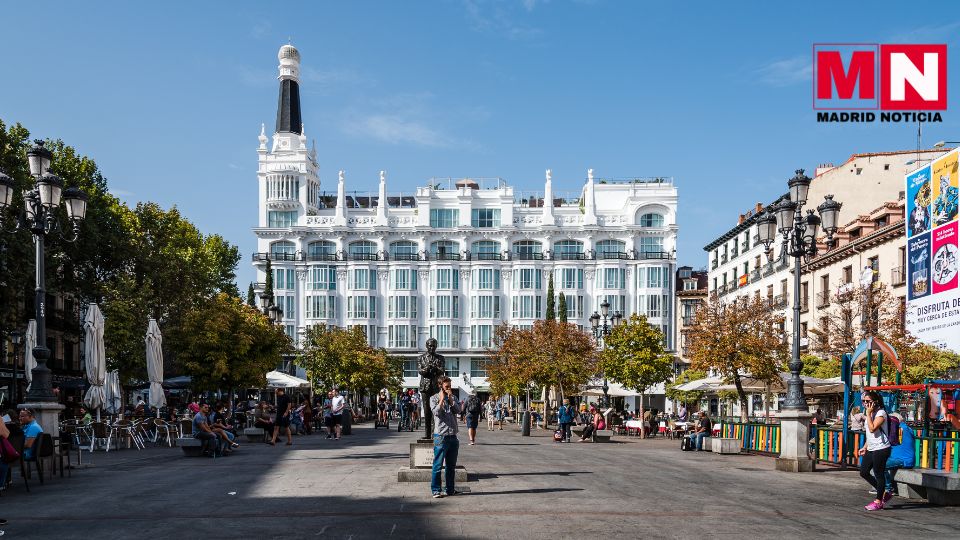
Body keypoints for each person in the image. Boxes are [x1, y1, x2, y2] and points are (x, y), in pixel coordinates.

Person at [858, 390, 892, 511]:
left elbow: (872, 429)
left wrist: (868, 413)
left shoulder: (881, 413)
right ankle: (883, 492)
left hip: (882, 448)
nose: (865, 404)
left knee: (878, 473)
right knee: (864, 472)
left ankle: (878, 501)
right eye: (864, 401)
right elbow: (870, 434)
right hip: (872, 447)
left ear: (875, 402)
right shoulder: (870, 413)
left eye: (868, 401)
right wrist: (865, 446)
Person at [430, 377, 462, 498]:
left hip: (453, 436)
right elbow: (436, 412)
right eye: (447, 387)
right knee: (438, 465)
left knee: (451, 466)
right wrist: (442, 400)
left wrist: (450, 399)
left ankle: (450, 489)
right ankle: (436, 490)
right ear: (440, 386)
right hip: (441, 436)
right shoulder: (433, 398)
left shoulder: (453, 398)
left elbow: (458, 411)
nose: (449, 389)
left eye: (450, 386)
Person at [882, 412, 915, 498]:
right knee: (878, 462)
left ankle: (888, 488)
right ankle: (882, 486)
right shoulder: (903, 429)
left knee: (881, 465)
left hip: (904, 460)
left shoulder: (904, 429)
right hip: (898, 459)